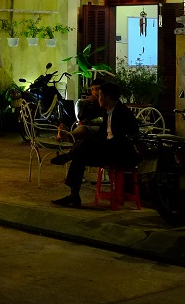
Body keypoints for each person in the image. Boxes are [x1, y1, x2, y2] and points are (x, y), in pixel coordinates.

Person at [50, 80, 140, 208]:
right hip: (109, 150)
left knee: (87, 142)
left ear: (108, 97)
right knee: (80, 154)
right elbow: (92, 126)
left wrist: (97, 143)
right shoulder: (108, 112)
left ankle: (68, 156)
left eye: (100, 95)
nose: (98, 98)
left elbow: (122, 140)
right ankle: (74, 195)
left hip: (121, 154)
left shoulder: (121, 113)